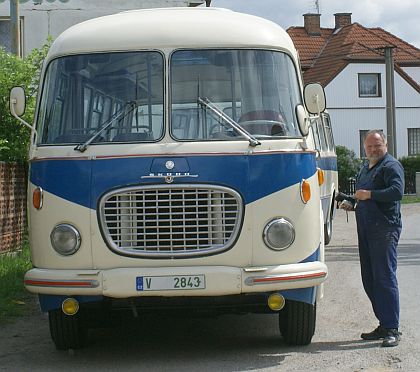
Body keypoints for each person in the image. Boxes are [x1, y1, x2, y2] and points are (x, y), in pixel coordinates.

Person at [339, 130, 404, 347]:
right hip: (366, 229)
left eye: (377, 145)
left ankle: (393, 328)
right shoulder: (365, 168)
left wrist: (370, 195)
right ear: (364, 148)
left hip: (384, 229)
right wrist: (351, 202)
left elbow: (397, 191)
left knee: (384, 277)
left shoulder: (391, 165)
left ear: (385, 144)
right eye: (369, 146)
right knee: (370, 279)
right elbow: (361, 195)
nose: (373, 149)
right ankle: (384, 324)